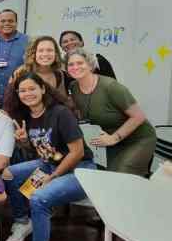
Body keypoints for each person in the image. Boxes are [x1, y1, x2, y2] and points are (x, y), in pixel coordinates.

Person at [2, 72, 95, 241]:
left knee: (40, 198)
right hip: (50, 165)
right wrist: (24, 142)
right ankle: (23, 222)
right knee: (10, 173)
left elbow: (77, 152)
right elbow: (44, 151)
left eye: (32, 88)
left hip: (80, 169)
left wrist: (53, 177)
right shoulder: (28, 116)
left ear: (43, 89)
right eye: (22, 90)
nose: (27, 94)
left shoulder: (61, 113)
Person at [66, 47, 156, 175]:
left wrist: (114, 138)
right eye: (71, 64)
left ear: (90, 65)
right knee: (110, 179)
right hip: (110, 140)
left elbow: (139, 116)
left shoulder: (111, 87)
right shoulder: (74, 88)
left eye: (80, 63)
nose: (75, 67)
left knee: (123, 177)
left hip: (138, 139)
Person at [4, 36, 70, 108]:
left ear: (56, 53)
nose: (45, 54)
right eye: (41, 50)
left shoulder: (61, 75)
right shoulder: (20, 73)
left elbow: (66, 103)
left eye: (50, 50)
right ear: (34, 53)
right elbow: (8, 104)